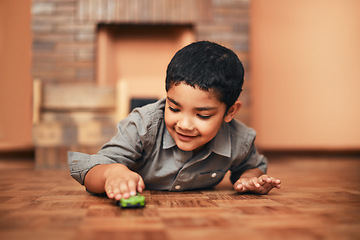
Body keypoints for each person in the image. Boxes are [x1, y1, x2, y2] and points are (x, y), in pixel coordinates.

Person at [68, 41, 281, 200]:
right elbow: (91, 168)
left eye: (202, 115)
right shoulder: (142, 125)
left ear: (230, 112)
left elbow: (253, 166)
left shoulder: (240, 139)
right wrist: (111, 173)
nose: (184, 124)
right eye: (174, 108)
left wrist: (249, 178)